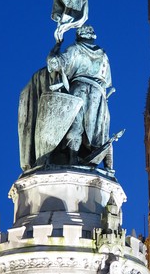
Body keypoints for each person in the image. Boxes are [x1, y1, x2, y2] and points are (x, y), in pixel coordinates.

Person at [46, 24, 114, 168]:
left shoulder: (75, 49)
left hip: (78, 91)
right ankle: (109, 168)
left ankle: (72, 161)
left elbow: (55, 63)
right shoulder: (103, 55)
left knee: (74, 127)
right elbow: (106, 81)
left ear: (78, 36)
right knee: (101, 134)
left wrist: (56, 46)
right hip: (98, 96)